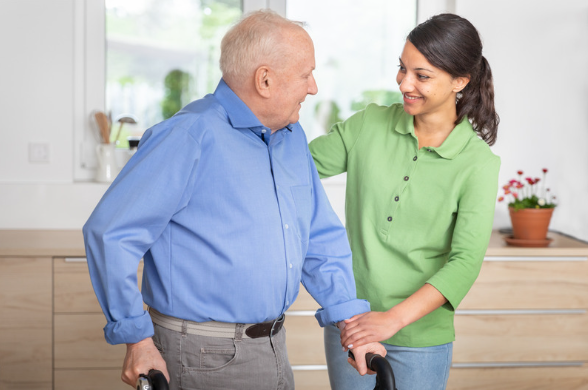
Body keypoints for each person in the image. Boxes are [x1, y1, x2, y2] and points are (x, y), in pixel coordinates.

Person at [83, 9, 386, 390]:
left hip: (273, 346)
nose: (314, 88)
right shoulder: (190, 135)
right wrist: (137, 339)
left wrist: (351, 323)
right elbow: (110, 232)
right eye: (305, 74)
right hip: (201, 355)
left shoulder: (290, 138)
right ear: (264, 80)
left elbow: (319, 239)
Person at [308, 13, 501, 390]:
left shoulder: (477, 163)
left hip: (421, 340)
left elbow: (464, 262)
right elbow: (295, 169)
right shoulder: (369, 124)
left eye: (422, 75)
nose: (404, 84)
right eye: (402, 68)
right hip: (352, 324)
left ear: (460, 82)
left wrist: (392, 319)